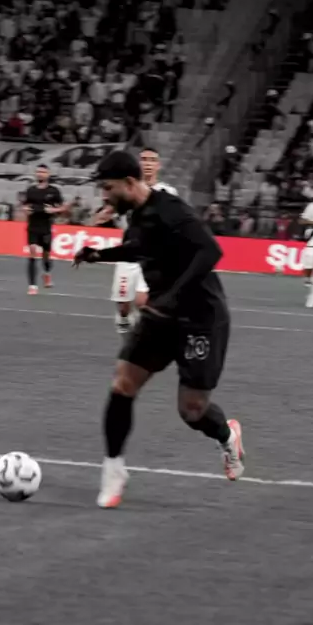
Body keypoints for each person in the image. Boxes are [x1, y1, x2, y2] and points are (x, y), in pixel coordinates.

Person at [74, 150, 244, 509]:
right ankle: (114, 470)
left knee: (192, 410)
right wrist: (99, 255)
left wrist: (173, 296)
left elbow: (210, 251)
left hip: (201, 317)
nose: (104, 196)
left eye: (108, 188)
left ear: (129, 183)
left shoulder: (172, 210)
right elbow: (140, 248)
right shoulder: (136, 216)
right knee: (123, 383)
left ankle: (227, 435)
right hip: (161, 315)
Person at [109, 147, 178, 333]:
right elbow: (116, 214)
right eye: (144, 159)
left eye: (152, 160)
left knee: (142, 302)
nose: (148, 164)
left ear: (158, 165)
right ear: (138, 163)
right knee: (123, 307)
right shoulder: (127, 188)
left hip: (152, 256)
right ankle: (124, 324)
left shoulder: (167, 192)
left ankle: (139, 340)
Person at [23, 165, 70, 294]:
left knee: (46, 255)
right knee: (32, 252)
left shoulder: (54, 191)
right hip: (32, 226)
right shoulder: (31, 190)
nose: (40, 174)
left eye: (43, 172)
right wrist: (25, 210)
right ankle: (32, 286)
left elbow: (64, 208)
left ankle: (47, 273)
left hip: (46, 227)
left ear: (48, 174)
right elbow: (25, 205)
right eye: (38, 171)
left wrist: (53, 210)